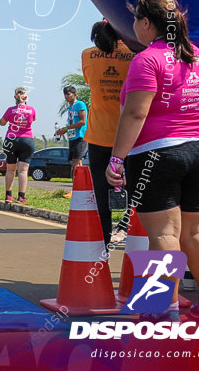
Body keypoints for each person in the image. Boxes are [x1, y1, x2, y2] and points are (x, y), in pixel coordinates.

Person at [106, 0, 199, 320]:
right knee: (195, 231)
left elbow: (135, 114)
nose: (134, 27)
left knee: (164, 233)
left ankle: (158, 311)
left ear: (146, 23)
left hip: (156, 154)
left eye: (136, 21)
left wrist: (117, 159)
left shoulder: (147, 59)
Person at [82, 20, 135, 244]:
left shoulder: (87, 55)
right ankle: (134, 239)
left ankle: (102, 246)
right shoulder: (135, 55)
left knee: (100, 196)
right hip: (131, 137)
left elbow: (88, 81)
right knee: (137, 194)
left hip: (98, 136)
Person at [0, 87, 36, 203]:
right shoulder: (31, 109)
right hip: (27, 140)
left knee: (10, 170)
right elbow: (34, 119)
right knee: (23, 171)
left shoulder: (11, 110)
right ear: (26, 97)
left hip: (11, 140)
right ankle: (21, 196)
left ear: (15, 97)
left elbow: (2, 123)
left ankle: (8, 195)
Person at [56, 86, 88, 188]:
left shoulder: (80, 104)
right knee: (77, 163)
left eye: (68, 94)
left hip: (80, 136)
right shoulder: (70, 107)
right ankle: (79, 186)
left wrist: (66, 128)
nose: (66, 97)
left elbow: (82, 121)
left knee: (75, 164)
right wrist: (63, 131)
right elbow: (72, 122)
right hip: (72, 137)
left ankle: (77, 187)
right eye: (65, 94)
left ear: (74, 94)